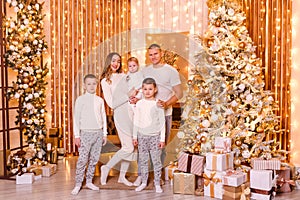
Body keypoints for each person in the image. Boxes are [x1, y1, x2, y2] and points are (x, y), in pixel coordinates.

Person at [139, 43, 183, 167]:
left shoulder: (171, 71)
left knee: (161, 145)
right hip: (147, 115)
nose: (153, 57)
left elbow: (179, 93)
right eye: (150, 55)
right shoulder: (145, 70)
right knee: (144, 146)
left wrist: (166, 103)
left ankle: (159, 175)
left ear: (161, 53)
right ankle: (144, 175)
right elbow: (140, 89)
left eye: (156, 54)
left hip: (164, 114)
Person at [100, 52, 137, 186]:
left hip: (132, 111)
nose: (116, 64)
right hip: (120, 114)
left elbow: (134, 89)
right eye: (113, 61)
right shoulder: (105, 81)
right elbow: (111, 103)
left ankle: (122, 176)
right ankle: (107, 167)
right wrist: (128, 95)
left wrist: (134, 97)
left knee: (132, 146)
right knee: (128, 147)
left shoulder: (124, 76)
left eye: (119, 61)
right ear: (108, 61)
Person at [71, 74, 108, 195]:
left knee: (94, 159)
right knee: (82, 160)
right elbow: (76, 119)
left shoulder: (100, 100)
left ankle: (89, 181)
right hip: (85, 133)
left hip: (98, 133)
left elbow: (103, 117)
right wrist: (77, 135)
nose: (92, 86)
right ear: (84, 85)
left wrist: (104, 134)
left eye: (94, 84)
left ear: (97, 85)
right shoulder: (80, 100)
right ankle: (78, 184)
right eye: (89, 84)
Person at [132, 78, 165, 193]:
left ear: (155, 90)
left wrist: (162, 139)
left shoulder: (158, 104)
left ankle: (157, 183)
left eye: (150, 89)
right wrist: (134, 136)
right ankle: (144, 182)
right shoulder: (139, 104)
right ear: (142, 89)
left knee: (156, 161)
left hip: (155, 137)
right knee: (143, 160)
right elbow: (136, 120)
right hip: (142, 136)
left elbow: (162, 123)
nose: (147, 91)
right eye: (145, 89)